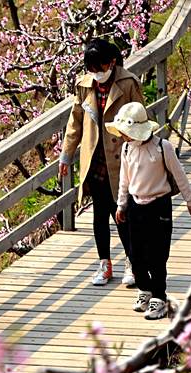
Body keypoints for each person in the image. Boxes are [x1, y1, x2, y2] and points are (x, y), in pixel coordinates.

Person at [59, 39, 146, 286]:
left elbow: (141, 120)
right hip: (95, 159)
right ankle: (104, 265)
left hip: (121, 159)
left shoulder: (128, 83)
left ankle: (132, 262)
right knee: (99, 214)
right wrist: (66, 155)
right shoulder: (85, 85)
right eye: (92, 68)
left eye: (101, 66)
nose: (97, 72)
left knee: (122, 213)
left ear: (113, 62)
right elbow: (75, 122)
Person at [107, 101, 191, 320]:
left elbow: (179, 175)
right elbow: (124, 180)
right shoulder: (127, 148)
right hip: (135, 206)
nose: (124, 137)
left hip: (159, 205)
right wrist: (121, 205)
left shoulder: (162, 147)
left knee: (158, 254)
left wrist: (190, 201)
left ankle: (159, 296)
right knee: (135, 253)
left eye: (127, 133)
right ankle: (144, 289)